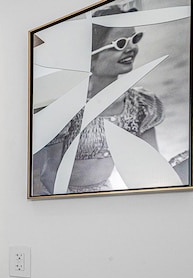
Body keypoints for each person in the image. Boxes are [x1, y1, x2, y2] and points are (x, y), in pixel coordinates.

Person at [35, 5, 165, 195]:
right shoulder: (66, 108)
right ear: (91, 57)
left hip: (107, 197)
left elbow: (152, 168)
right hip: (63, 202)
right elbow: (49, 174)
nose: (132, 48)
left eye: (134, 39)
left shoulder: (141, 105)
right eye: (120, 43)